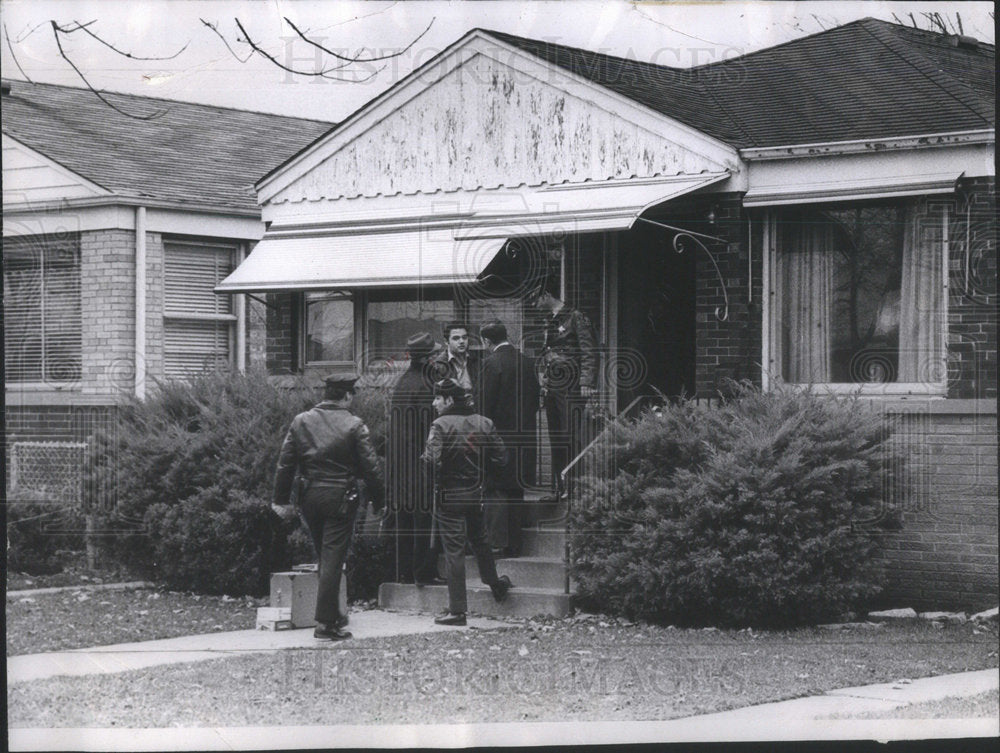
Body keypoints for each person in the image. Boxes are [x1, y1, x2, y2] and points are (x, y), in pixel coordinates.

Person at [273, 371, 385, 641]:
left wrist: (280, 499)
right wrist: (379, 500)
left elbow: (285, 463)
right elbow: (371, 468)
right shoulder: (354, 424)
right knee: (333, 558)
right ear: (347, 395)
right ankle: (326, 623)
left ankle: (333, 613)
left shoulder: (301, 421)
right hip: (341, 498)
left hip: (309, 496)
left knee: (325, 557)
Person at [421, 378, 513, 626]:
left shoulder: (439, 425)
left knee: (454, 552)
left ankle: (458, 610)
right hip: (475, 492)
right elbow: (502, 458)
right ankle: (495, 584)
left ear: (449, 400)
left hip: (449, 495)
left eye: (438, 398)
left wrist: (436, 479)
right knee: (481, 541)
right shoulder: (485, 423)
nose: (434, 403)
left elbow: (430, 460)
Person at [529, 281, 599, 501]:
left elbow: (589, 351)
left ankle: (575, 488)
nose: (534, 305)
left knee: (571, 436)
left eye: (536, 299)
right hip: (553, 385)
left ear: (547, 294)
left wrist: (587, 382)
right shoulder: (549, 321)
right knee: (556, 437)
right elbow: (547, 352)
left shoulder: (576, 317)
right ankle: (559, 489)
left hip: (572, 385)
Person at [386, 332, 444, 586]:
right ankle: (424, 572)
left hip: (400, 463)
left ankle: (403, 572)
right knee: (423, 519)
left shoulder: (403, 382)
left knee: (404, 519)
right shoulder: (428, 384)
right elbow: (430, 427)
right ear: (430, 358)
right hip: (420, 461)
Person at [478, 319, 540, 557]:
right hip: (524, 437)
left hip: (498, 438)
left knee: (495, 490)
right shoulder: (527, 363)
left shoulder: (491, 364)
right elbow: (535, 402)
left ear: (486, 341)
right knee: (516, 490)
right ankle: (515, 544)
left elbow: (485, 405)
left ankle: (496, 543)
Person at [430, 322, 480, 405]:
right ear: (446, 342)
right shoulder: (438, 365)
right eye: (456, 338)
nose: (461, 341)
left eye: (464, 338)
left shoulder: (476, 360)